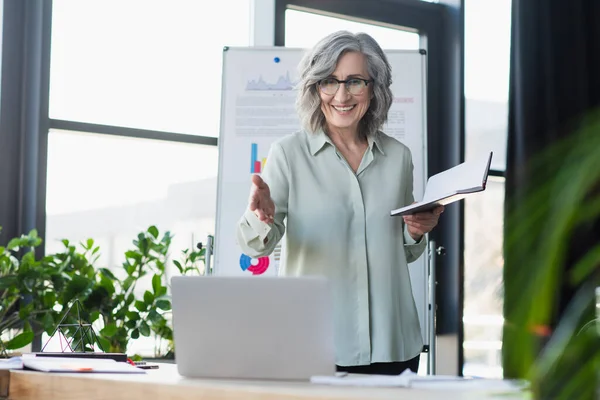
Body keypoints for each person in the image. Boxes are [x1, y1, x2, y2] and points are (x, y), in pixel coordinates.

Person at [236, 30, 443, 376]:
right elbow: (256, 246)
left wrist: (416, 233)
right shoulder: (288, 154)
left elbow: (401, 251)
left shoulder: (398, 157)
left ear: (374, 88)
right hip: (314, 345)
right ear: (315, 88)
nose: (341, 95)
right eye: (329, 82)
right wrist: (261, 217)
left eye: (355, 82)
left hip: (392, 345)